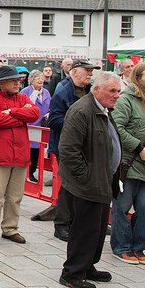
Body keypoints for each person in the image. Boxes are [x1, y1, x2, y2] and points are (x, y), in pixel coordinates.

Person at [57, 71, 122, 288]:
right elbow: (68, 150)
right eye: (112, 91)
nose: (116, 96)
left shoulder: (102, 109)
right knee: (84, 229)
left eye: (119, 91)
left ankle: (87, 266)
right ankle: (72, 273)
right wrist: (86, 177)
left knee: (97, 228)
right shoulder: (82, 110)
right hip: (87, 184)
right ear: (97, 89)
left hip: (102, 181)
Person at [110, 63, 145, 265]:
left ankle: (139, 247)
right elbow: (117, 127)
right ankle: (121, 246)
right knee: (123, 207)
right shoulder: (126, 99)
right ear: (138, 78)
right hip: (129, 162)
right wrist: (139, 149)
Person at [0, 65, 40, 245]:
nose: (18, 83)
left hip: (20, 155)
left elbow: (34, 113)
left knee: (15, 196)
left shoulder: (22, 98)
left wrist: (13, 112)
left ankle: (10, 228)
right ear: (2, 82)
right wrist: (20, 119)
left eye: (19, 80)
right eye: (14, 80)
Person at [47, 59, 98, 241]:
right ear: (75, 72)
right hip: (67, 146)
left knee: (86, 185)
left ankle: (82, 223)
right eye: (87, 70)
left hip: (88, 146)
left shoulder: (92, 91)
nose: (90, 74)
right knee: (68, 186)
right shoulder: (63, 92)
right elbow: (53, 120)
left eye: (92, 71)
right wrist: (78, 126)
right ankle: (61, 224)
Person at [21, 70, 51, 183]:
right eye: (37, 78)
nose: (40, 80)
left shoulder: (46, 93)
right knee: (27, 151)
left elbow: (50, 106)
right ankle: (26, 173)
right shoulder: (25, 92)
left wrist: (49, 113)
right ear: (31, 80)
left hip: (41, 125)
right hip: (29, 126)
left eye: (41, 78)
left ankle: (32, 172)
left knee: (37, 152)